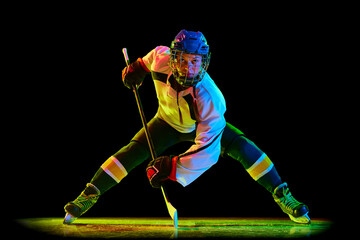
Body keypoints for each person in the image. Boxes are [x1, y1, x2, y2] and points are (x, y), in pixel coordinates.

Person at [63, 29, 310, 224]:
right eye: (183, 60)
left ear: (204, 62)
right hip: (165, 122)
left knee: (247, 150)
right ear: (173, 58)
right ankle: (89, 194)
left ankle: (282, 195)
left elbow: (207, 152)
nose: (189, 67)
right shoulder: (161, 58)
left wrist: (171, 167)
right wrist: (135, 70)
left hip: (203, 129)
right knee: (130, 152)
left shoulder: (211, 97)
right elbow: (146, 61)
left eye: (195, 61)